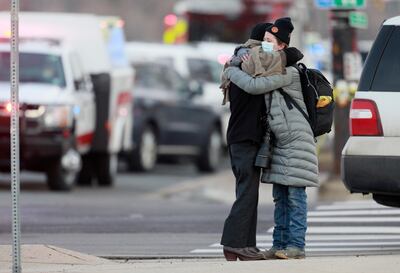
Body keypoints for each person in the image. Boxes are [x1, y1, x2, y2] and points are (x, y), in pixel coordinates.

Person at [222, 17, 319, 260]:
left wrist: (232, 69)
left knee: (292, 197)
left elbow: (255, 86)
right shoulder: (260, 64)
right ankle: (251, 244)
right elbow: (255, 80)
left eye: (270, 41)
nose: (265, 46)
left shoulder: (287, 71)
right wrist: (234, 67)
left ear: (281, 46)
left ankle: (291, 246)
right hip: (269, 141)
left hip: (293, 141)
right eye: (263, 41)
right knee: (273, 196)